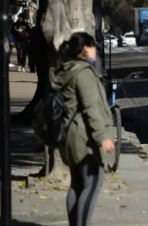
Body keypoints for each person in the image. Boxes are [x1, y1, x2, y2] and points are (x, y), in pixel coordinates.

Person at [51, 32, 115, 226]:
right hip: (84, 138)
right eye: (94, 46)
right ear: (86, 47)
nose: (95, 51)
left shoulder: (65, 70)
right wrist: (102, 136)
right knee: (92, 183)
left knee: (77, 185)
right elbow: (91, 106)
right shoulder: (83, 73)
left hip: (69, 136)